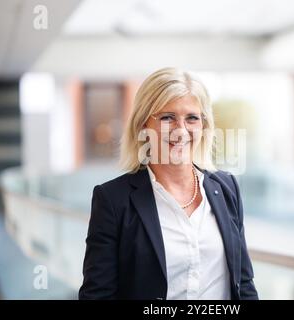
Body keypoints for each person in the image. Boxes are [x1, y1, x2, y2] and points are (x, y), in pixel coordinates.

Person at [79, 67, 258, 300]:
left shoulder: (226, 189)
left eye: (192, 118)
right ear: (143, 124)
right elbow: (97, 296)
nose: (181, 131)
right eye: (167, 118)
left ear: (204, 126)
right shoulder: (113, 200)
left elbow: (243, 283)